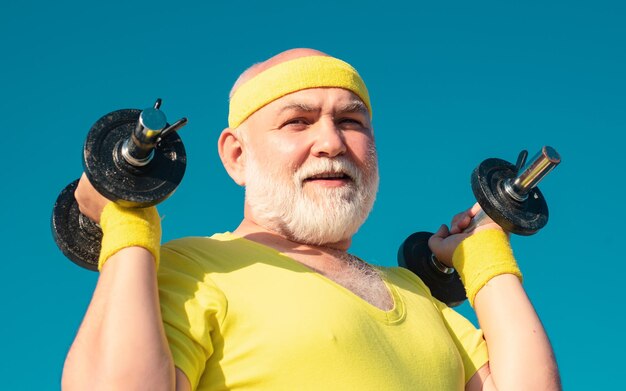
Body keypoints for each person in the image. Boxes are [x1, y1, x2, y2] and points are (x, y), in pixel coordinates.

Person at [61, 48, 561, 390]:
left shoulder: (416, 296)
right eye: (297, 121)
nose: (331, 142)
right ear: (236, 156)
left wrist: (483, 252)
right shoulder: (196, 268)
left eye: (350, 121)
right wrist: (128, 222)